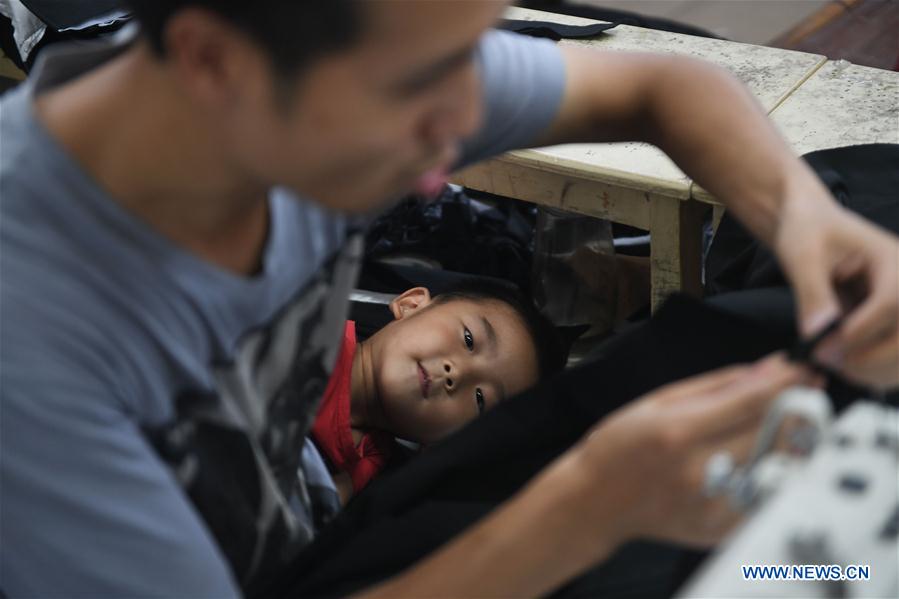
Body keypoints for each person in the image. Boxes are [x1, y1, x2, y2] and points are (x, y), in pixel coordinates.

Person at [0, 1, 896, 597]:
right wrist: (586, 507)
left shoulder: (306, 78)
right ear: (210, 60)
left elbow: (662, 87)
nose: (443, 157)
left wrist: (807, 222)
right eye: (415, 93)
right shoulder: (34, 340)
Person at [311, 281, 566, 502]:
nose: (457, 374)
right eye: (468, 339)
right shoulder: (309, 330)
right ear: (411, 304)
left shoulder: (369, 464)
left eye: (480, 399)